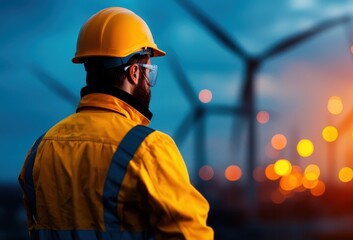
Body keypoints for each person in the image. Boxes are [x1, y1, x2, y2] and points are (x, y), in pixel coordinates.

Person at [18, 7, 214, 240]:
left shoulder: (39, 151)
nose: (150, 82)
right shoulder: (148, 149)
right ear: (134, 73)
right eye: (149, 71)